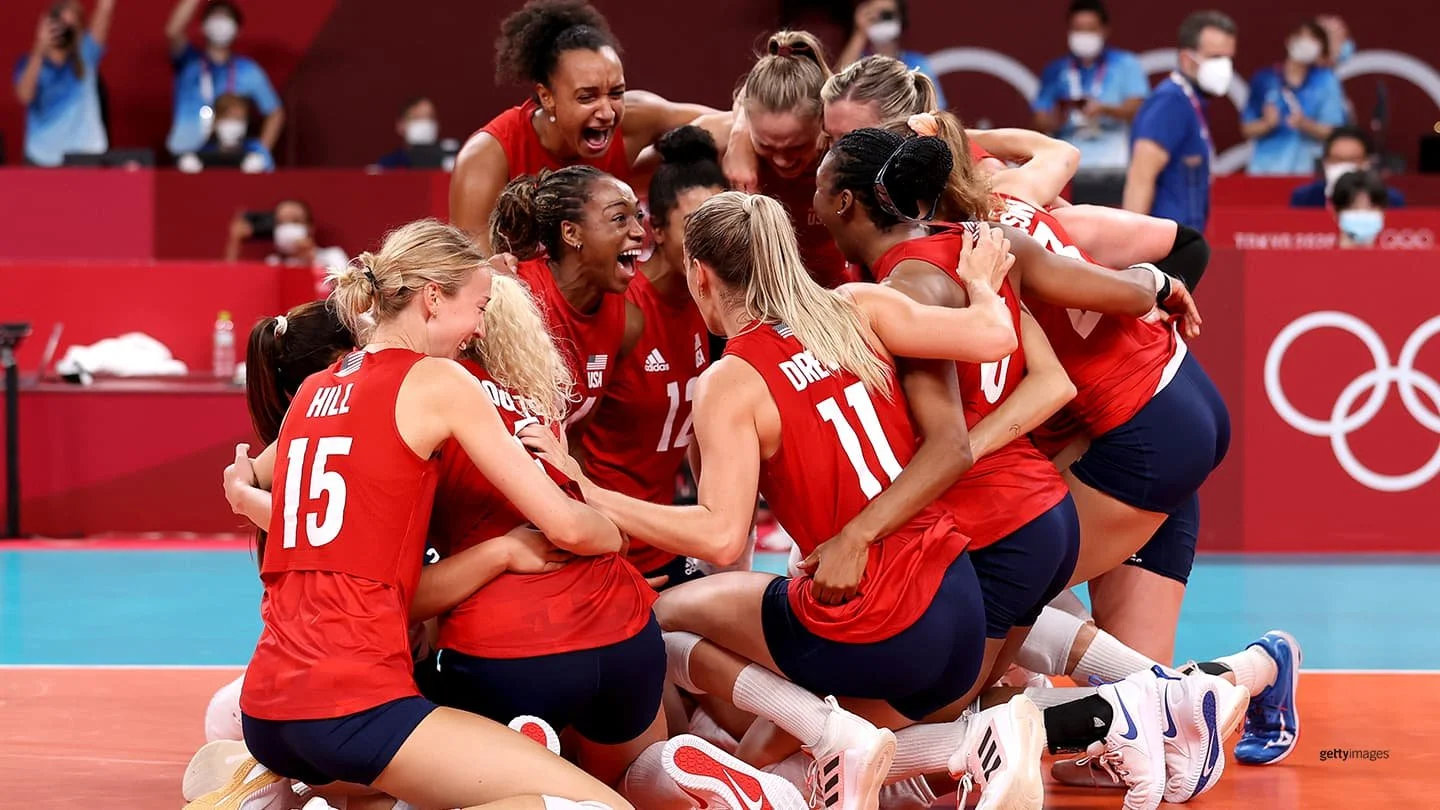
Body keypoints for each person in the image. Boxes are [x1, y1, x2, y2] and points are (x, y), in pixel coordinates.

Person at [194, 218, 636, 810]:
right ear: (432, 298)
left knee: (404, 788)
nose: (481, 325)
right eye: (477, 306)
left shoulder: (312, 390)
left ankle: (290, 794)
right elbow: (567, 526)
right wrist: (612, 529)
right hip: (354, 702)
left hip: (269, 706)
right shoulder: (438, 380)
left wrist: (247, 495)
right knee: (601, 806)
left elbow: (252, 475)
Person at [451, 0, 733, 252]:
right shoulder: (488, 156)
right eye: (587, 97)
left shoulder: (637, 118)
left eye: (616, 93)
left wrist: (742, 143)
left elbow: (730, 123)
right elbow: (471, 272)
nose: (607, 112)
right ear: (547, 97)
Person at [580, 126, 727, 587]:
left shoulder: (713, 306)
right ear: (656, 230)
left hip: (667, 541)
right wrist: (594, 541)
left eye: (722, 223)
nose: (715, 241)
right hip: (607, 550)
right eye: (696, 226)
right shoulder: (623, 310)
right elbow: (565, 439)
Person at [489, 166, 645, 436]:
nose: (640, 231)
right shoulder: (509, 294)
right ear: (571, 233)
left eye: (638, 216)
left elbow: (569, 440)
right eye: (620, 218)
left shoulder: (627, 324)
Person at [725, 31, 855, 288]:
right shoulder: (724, 141)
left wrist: (739, 132)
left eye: (797, 146)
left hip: (845, 306)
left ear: (824, 121)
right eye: (766, 145)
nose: (782, 160)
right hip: (767, 309)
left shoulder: (851, 145)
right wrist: (737, 135)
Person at [1123, 10, 1237, 232]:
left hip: (1184, 246)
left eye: (1229, 58)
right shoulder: (1169, 103)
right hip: (1164, 250)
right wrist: (1130, 251)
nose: (1225, 67)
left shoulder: (1191, 103)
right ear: (1187, 59)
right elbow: (1140, 178)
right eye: (1216, 57)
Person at [1031, 0, 1149, 170]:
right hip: (1066, 164)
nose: (1084, 35)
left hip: (1114, 164)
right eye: (1078, 29)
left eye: (1090, 29)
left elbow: (1140, 108)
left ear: (1104, 30)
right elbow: (1038, 119)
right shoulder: (1056, 70)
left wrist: (1105, 110)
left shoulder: (1125, 64)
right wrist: (1056, 118)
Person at [164, 0, 284, 158]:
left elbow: (275, 112)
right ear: (203, 26)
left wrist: (260, 154)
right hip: (185, 154)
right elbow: (173, 32)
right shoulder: (189, 61)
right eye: (215, 17)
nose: (220, 23)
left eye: (226, 18)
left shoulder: (248, 70)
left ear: (237, 30)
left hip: (230, 155)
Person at [12, 0, 114, 167]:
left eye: (71, 27)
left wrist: (105, 5)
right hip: (42, 160)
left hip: (85, 157)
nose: (64, 32)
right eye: (61, 24)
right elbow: (24, 96)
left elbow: (104, 13)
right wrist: (39, 47)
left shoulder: (85, 57)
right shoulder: (28, 63)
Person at [1241, 18, 1347, 176]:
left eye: (1315, 40)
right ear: (1289, 41)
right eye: (1303, 37)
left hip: (1308, 172)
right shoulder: (1264, 79)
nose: (1308, 44)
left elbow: (1336, 132)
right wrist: (1267, 124)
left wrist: (1305, 124)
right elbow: (1246, 128)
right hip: (1264, 172)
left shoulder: (1326, 80)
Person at [834, 0, 946, 109]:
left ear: (900, 18)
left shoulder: (918, 63)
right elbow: (836, 86)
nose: (880, 19)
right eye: (874, 15)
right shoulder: (858, 62)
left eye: (886, 14)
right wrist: (860, 32)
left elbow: (935, 109)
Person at [1290, 125, 1406, 208]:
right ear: (1325, 163)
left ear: (1367, 163)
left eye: (1353, 160)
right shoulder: (1304, 198)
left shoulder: (1390, 200)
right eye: (1338, 160)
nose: (1345, 166)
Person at [182, 92, 274, 172]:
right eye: (228, 118)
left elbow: (272, 174)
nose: (234, 124)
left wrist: (261, 167)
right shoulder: (203, 149)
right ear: (216, 121)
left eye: (239, 119)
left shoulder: (255, 149)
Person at [374, 96, 452, 170]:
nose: (425, 124)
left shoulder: (451, 165)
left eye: (430, 117)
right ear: (400, 125)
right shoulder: (387, 166)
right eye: (417, 118)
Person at [1330, 170, 1390, 248]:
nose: (1362, 213)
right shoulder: (1318, 258)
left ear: (1383, 213)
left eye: (1371, 207)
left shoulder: (1398, 259)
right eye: (1354, 208)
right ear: (1336, 213)